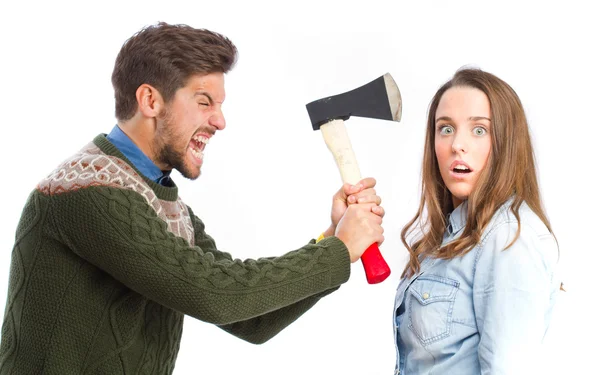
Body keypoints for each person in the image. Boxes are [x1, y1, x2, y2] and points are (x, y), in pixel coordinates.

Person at [0, 22, 385, 374]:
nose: (220, 121)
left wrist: (333, 239)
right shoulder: (87, 193)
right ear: (150, 101)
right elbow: (215, 295)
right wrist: (338, 252)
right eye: (204, 102)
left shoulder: (162, 202)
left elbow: (249, 320)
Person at [393, 68, 561, 374]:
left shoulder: (509, 238)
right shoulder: (450, 236)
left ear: (506, 144)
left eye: (479, 130)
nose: (457, 144)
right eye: (445, 128)